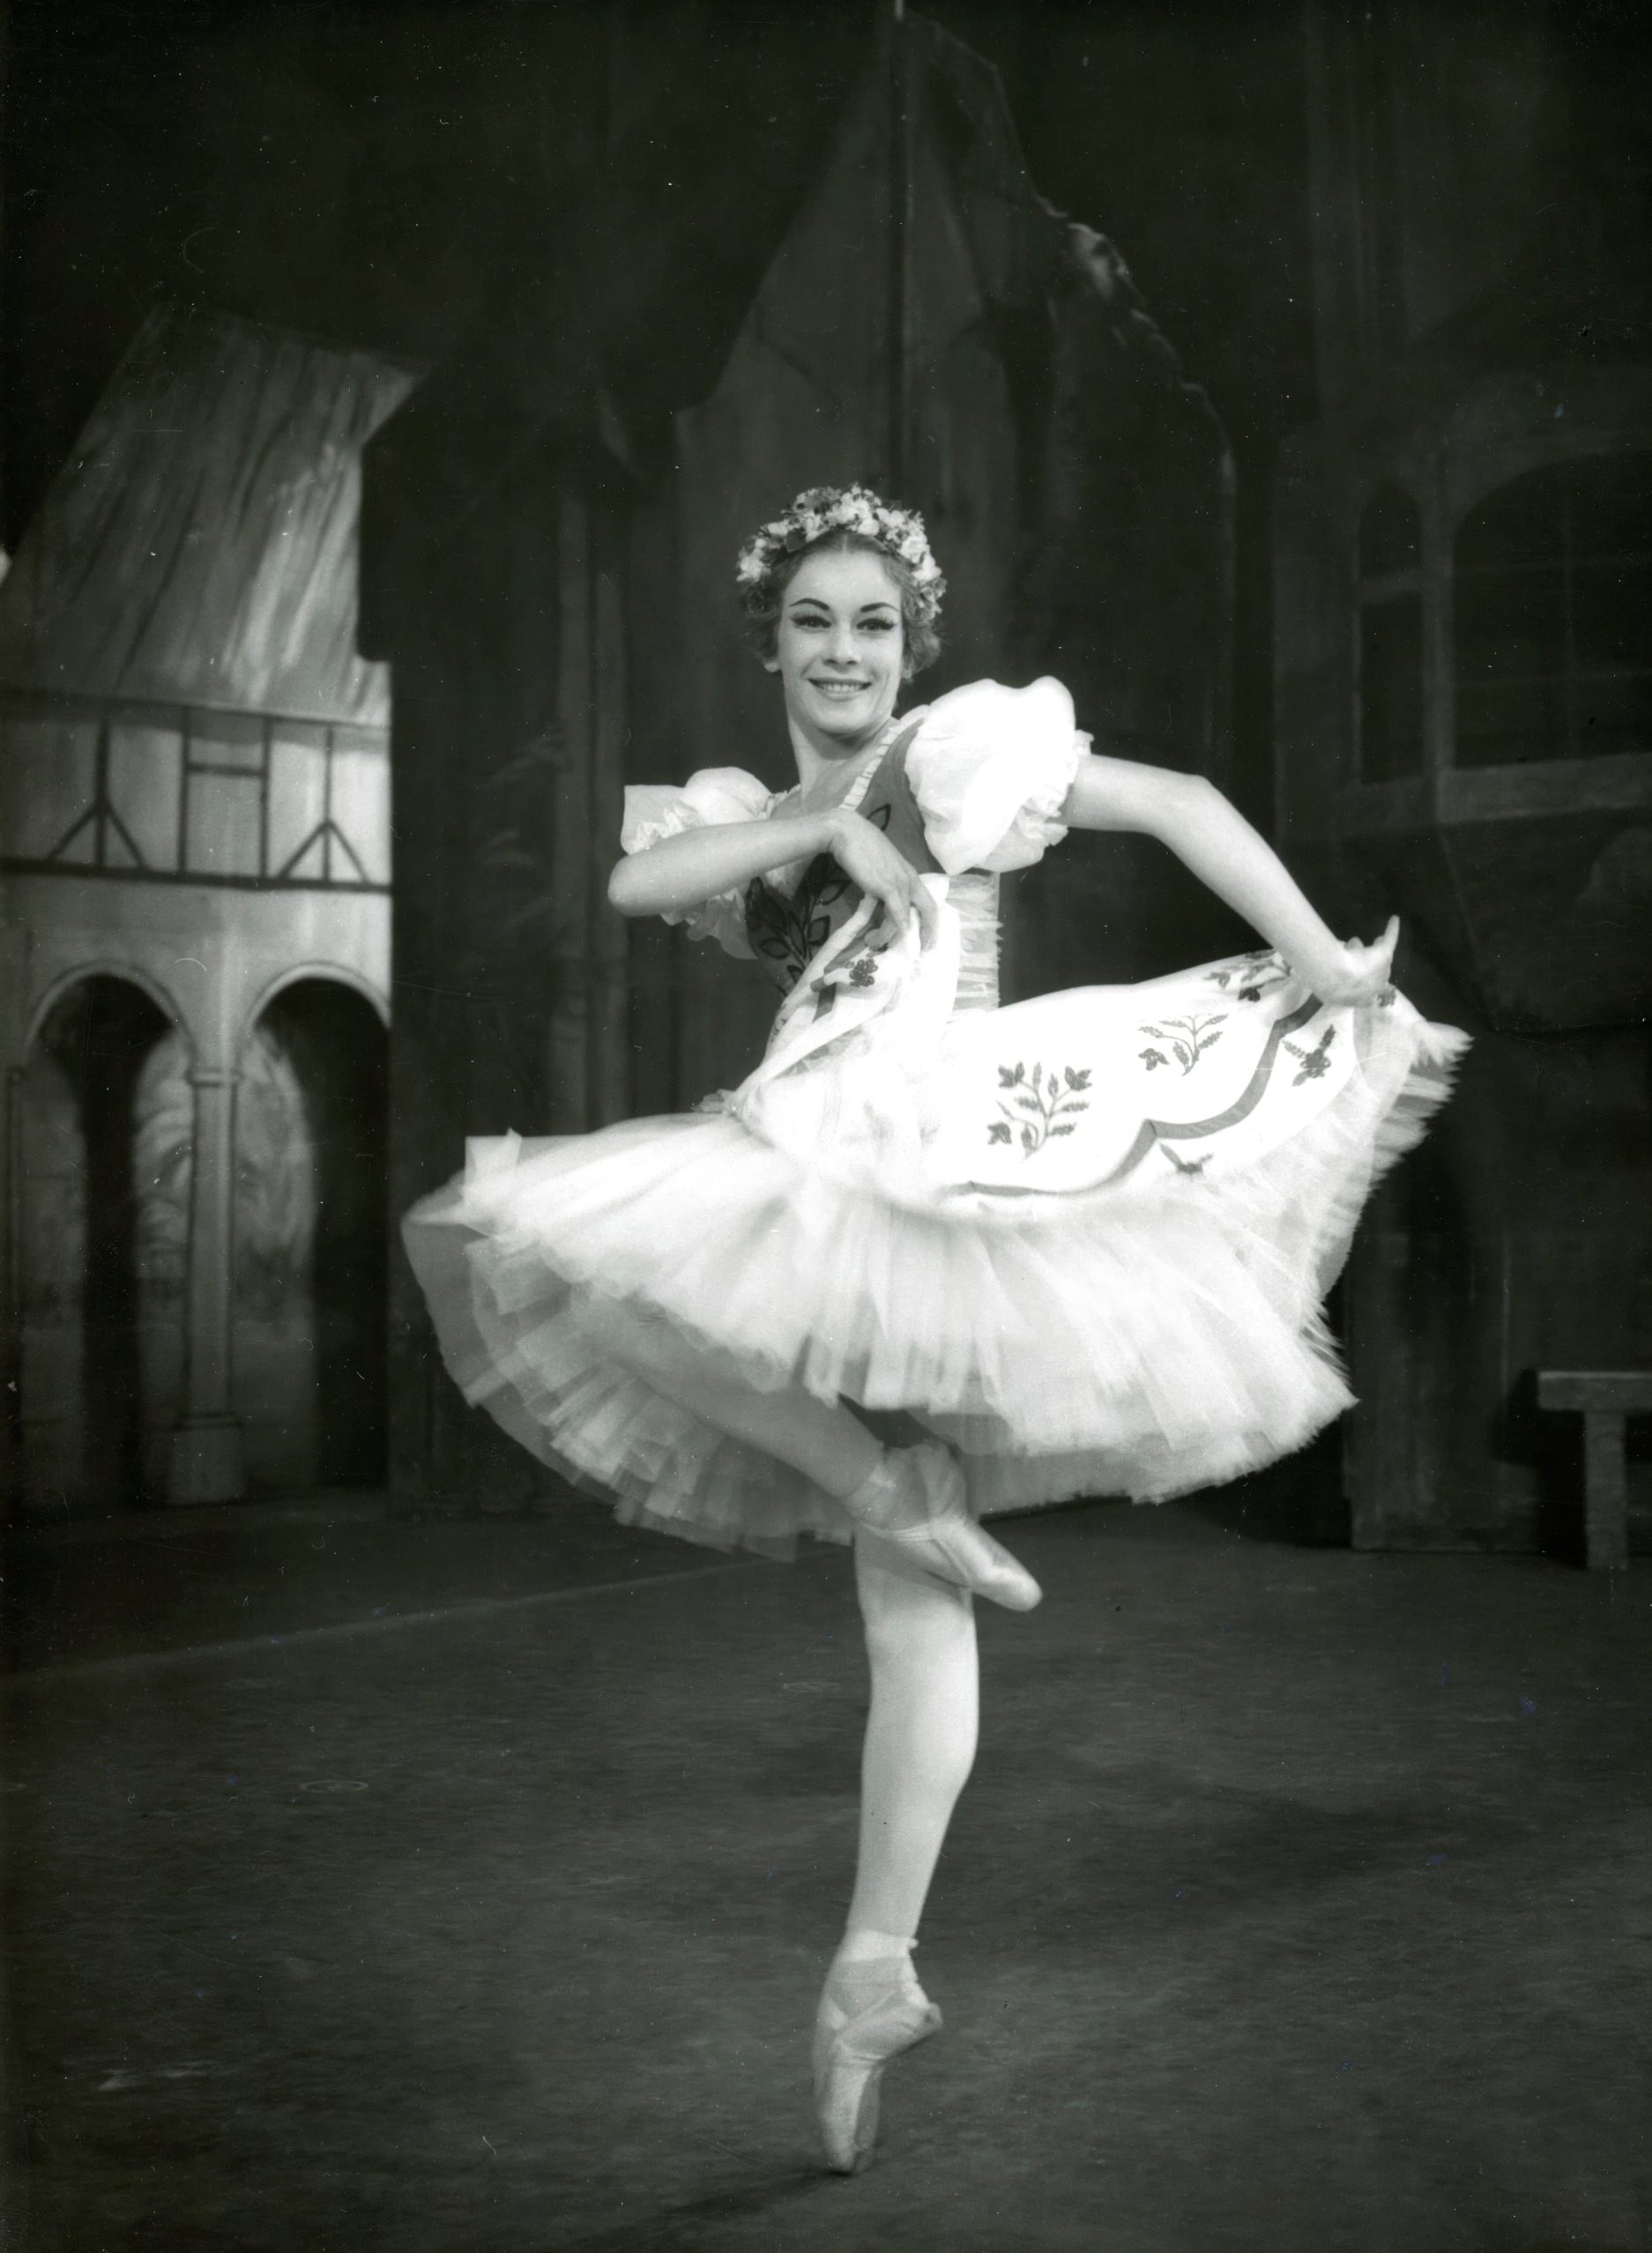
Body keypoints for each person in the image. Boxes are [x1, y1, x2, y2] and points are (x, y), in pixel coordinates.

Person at [404, 485, 1466, 2175]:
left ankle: (878, 1854)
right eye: (813, 622)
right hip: (817, 1140)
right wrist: (822, 832)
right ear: (770, 644)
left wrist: (1320, 966)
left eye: (874, 624)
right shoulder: (747, 810)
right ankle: (870, 1967)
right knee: (618, 1307)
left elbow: (1178, 802)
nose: (844, 651)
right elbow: (631, 878)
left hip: (936, 1134)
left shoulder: (953, 751)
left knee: (819, 1485)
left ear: (912, 648)